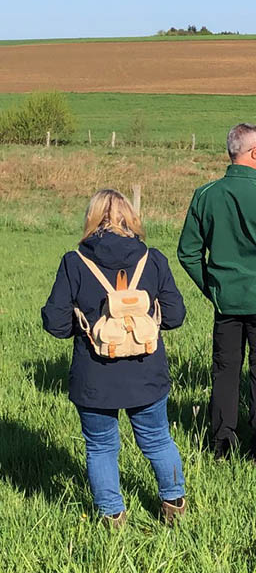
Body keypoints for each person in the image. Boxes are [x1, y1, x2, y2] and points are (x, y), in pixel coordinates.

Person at [42, 190, 188, 527]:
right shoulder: (153, 259)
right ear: (131, 218)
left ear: (91, 219)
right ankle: (174, 503)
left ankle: (112, 515)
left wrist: (87, 329)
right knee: (157, 440)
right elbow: (176, 315)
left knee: (101, 447)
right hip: (147, 372)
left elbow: (56, 323)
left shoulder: (74, 263)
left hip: (94, 375)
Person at [178, 122, 256, 459]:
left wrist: (212, 287)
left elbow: (188, 252)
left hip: (226, 303)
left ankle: (222, 442)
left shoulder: (205, 195)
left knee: (224, 371)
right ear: (254, 152)